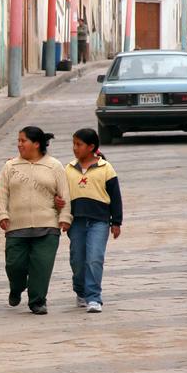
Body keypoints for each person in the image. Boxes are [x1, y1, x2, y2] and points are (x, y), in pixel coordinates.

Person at [0, 126, 72, 315]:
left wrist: (64, 217)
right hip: (16, 226)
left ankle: (37, 301)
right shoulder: (10, 166)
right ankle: (17, 287)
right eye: (18, 140)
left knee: (41, 266)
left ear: (36, 144)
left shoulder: (54, 166)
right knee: (14, 265)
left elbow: (65, 194)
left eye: (23, 141)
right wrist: (2, 215)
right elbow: (1, 192)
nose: (19, 144)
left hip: (47, 226)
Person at [63, 128, 122, 314]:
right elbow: (62, 194)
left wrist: (116, 222)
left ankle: (94, 297)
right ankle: (80, 290)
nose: (75, 148)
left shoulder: (106, 168)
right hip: (76, 222)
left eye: (79, 144)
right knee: (77, 260)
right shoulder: (68, 169)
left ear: (91, 147)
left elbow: (115, 197)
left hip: (100, 222)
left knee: (94, 258)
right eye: (73, 144)